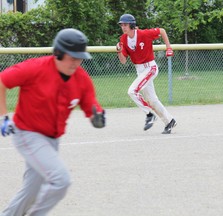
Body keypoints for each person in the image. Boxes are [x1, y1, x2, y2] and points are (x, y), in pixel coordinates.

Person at [0, 28, 105, 216]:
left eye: (80, 57)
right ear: (58, 53)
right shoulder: (35, 68)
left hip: (52, 141)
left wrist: (97, 116)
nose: (76, 62)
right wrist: (3, 116)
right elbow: (2, 81)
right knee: (61, 179)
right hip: (27, 133)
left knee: (30, 192)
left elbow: (91, 105)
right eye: (72, 57)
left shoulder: (81, 79)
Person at [116, 14, 176, 134]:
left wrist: (168, 47)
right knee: (152, 100)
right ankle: (169, 121)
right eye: (121, 25)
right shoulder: (123, 39)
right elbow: (123, 61)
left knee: (132, 91)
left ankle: (149, 114)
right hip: (140, 70)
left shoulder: (143, 34)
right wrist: (118, 51)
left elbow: (162, 31)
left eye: (125, 24)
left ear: (132, 25)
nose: (123, 27)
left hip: (150, 68)